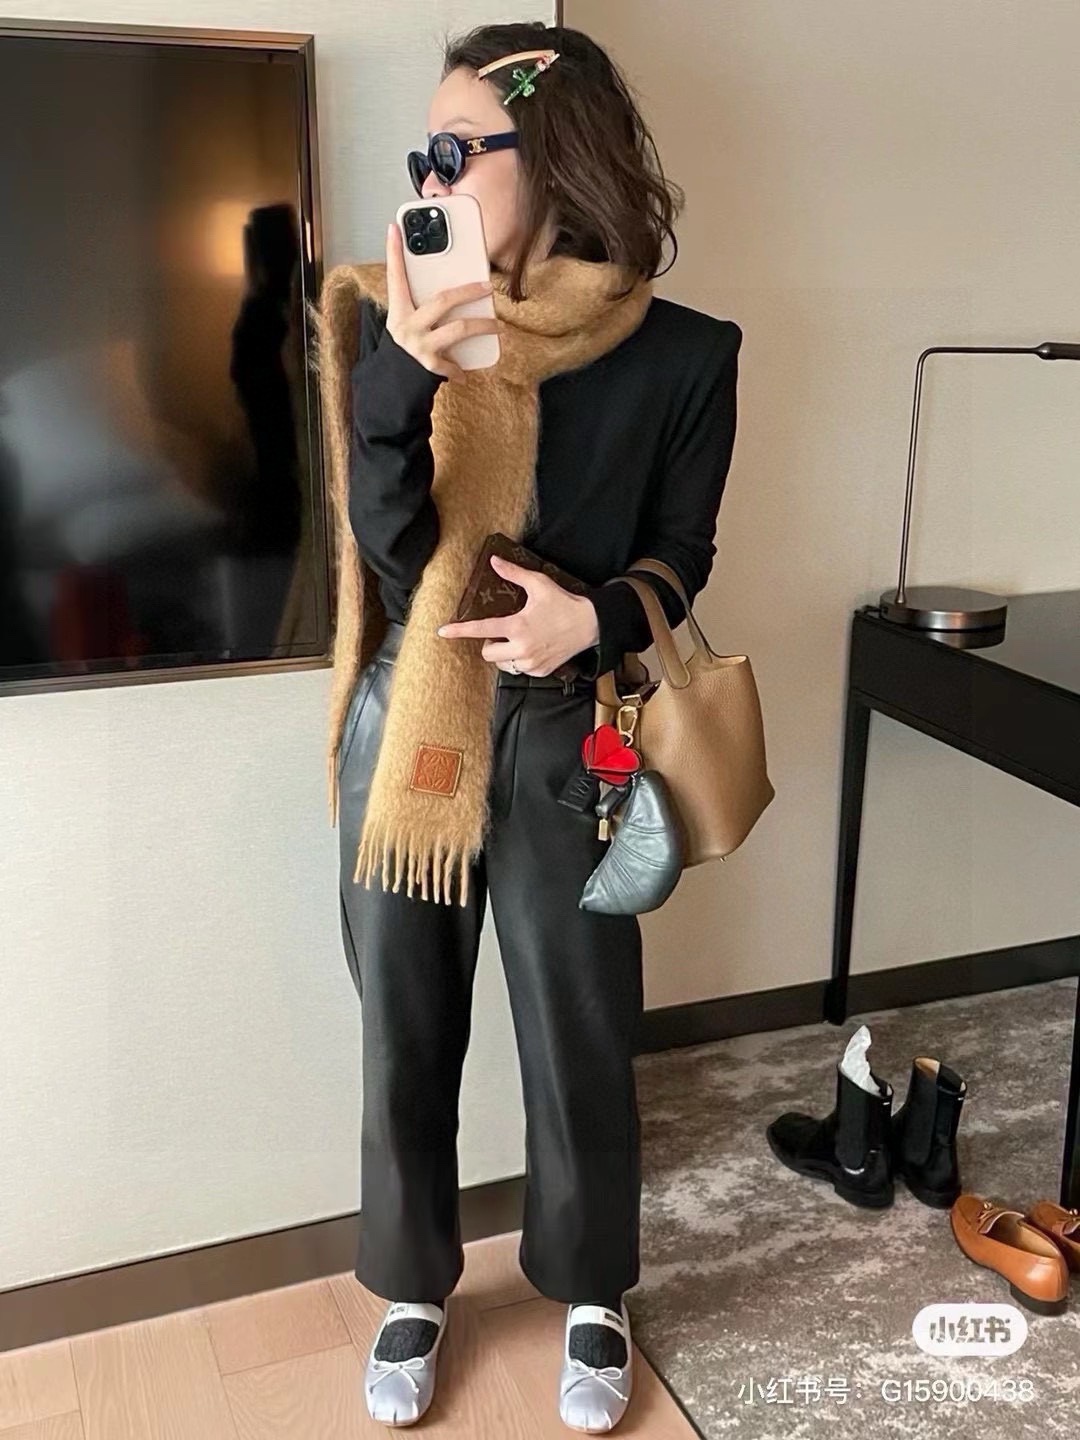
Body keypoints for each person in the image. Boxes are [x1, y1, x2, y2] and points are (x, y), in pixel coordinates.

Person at [333, 20, 741, 1432]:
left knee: (579, 1033)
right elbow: (391, 552)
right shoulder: (394, 324)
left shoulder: (684, 354)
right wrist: (404, 372)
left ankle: (590, 1287)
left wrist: (594, 622)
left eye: (457, 151)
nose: (429, 180)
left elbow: (684, 553)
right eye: (423, 154)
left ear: (554, 155)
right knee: (404, 1026)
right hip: (415, 728)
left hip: (575, 732)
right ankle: (410, 1285)